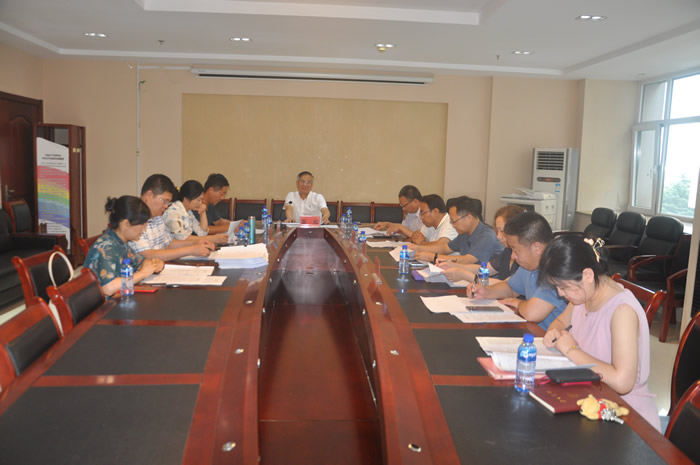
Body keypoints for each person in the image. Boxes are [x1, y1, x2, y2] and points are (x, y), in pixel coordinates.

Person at [538, 235, 661, 432]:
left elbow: (622, 382)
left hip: (623, 414)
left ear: (587, 275)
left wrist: (572, 351)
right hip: (591, 398)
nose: (561, 293)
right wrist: (554, 331)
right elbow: (560, 322)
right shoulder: (583, 295)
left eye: (563, 286)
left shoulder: (622, 311)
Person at [467, 211, 567, 330]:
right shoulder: (528, 266)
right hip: (532, 331)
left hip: (548, 337)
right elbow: (510, 288)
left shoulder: (556, 270)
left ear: (537, 248)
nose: (513, 256)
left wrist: (518, 303)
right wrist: (486, 292)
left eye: (516, 251)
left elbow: (532, 313)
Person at [84, 196, 164, 296]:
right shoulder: (107, 246)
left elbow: (140, 262)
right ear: (126, 224)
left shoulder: (121, 242)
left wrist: (155, 264)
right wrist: (143, 274)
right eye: (142, 225)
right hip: (106, 303)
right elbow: (109, 288)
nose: (144, 229)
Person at [130, 174, 215, 260]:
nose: (166, 206)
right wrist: (191, 250)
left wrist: (196, 243)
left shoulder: (157, 217)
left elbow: (168, 244)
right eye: (164, 201)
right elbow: (147, 255)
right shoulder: (134, 219)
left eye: (168, 202)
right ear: (149, 195)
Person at [439, 205, 524, 283]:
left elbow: (507, 286)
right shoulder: (507, 252)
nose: (498, 236)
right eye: (497, 231)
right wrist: (453, 265)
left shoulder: (525, 259)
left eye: (502, 231)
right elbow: (484, 269)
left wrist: (466, 275)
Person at [411, 196, 502, 265]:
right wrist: (418, 248)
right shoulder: (464, 233)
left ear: (468, 218)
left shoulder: (487, 235)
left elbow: (468, 260)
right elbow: (445, 248)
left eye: (454, 221)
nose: (453, 225)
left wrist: (434, 257)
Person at [163, 180, 228, 243]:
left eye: (201, 200)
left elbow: (202, 233)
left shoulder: (189, 212)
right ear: (186, 199)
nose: (200, 203)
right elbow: (183, 239)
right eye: (198, 200)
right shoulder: (174, 213)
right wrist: (213, 239)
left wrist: (203, 213)